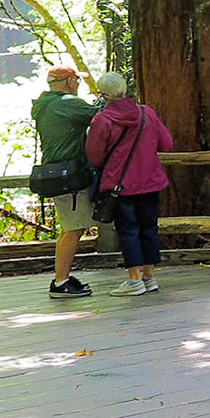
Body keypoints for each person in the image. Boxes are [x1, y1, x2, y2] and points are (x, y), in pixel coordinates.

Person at [84, 73, 174, 297]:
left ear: (103, 95)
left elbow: (94, 156)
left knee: (128, 230)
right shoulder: (146, 113)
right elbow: (167, 143)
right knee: (149, 228)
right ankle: (149, 276)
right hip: (150, 181)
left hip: (119, 184)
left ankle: (134, 279)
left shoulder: (102, 120)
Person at [32, 67, 100, 299]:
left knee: (70, 229)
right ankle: (60, 282)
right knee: (73, 230)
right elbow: (98, 114)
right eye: (77, 80)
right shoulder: (68, 103)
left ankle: (63, 278)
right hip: (69, 176)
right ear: (69, 81)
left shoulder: (46, 104)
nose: (78, 85)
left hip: (58, 173)